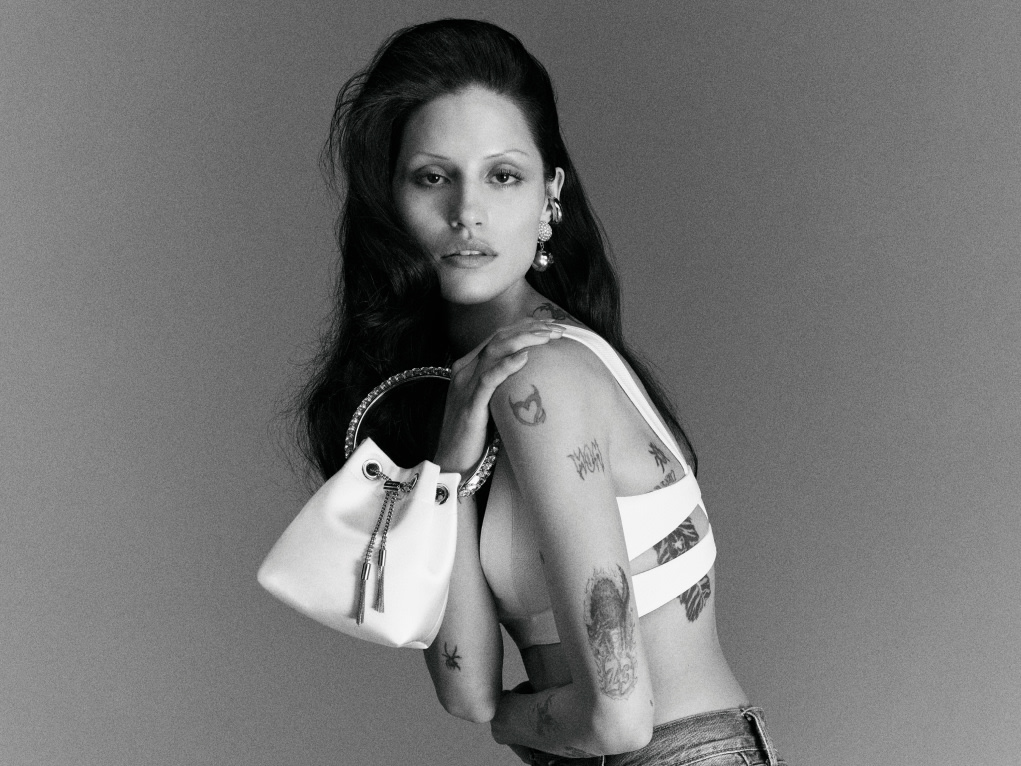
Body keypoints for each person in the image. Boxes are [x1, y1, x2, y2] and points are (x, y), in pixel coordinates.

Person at [296, 18, 786, 766]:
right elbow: (465, 689)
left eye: (502, 175)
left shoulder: (543, 375)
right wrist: (449, 470)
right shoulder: (465, 390)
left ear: (547, 194)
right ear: (388, 199)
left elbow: (611, 721)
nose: (468, 213)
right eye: (432, 176)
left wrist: (510, 727)